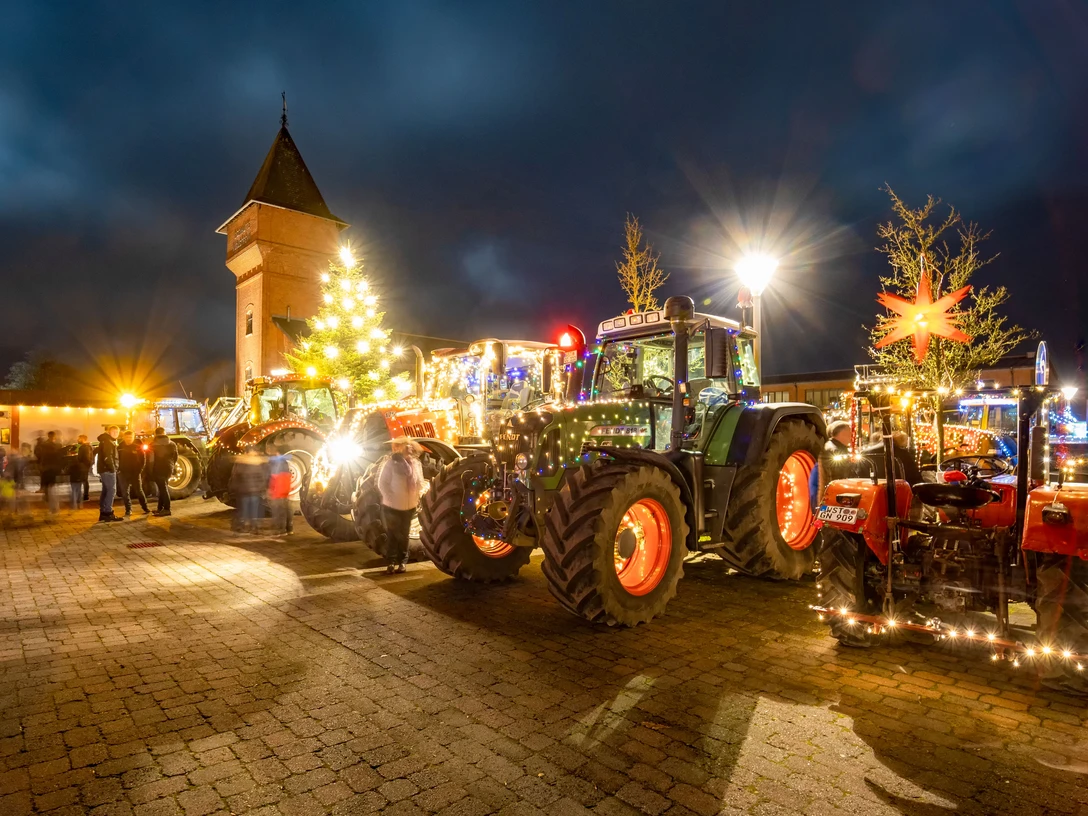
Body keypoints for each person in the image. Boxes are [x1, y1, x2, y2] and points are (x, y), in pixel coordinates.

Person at [377, 438, 425, 574]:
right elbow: (382, 484)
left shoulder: (416, 464)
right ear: (401, 448)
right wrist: (391, 499)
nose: (409, 448)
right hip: (392, 507)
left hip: (409, 507)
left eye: (411, 446)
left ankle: (402, 563)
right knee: (393, 534)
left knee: (404, 535)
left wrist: (419, 494)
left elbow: (420, 482)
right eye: (407, 446)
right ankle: (391, 563)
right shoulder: (391, 463)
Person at [230, 448, 269, 533]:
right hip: (254, 491)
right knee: (254, 510)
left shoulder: (240, 462)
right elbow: (262, 477)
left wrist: (234, 488)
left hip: (243, 491)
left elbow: (235, 476)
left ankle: (243, 526)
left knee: (244, 510)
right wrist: (262, 488)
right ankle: (254, 527)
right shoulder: (258, 462)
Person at [117, 431, 150, 516]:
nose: (128, 439)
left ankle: (145, 507)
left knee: (139, 491)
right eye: (127, 437)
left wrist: (139, 470)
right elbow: (116, 459)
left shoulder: (138, 447)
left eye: (130, 437)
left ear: (133, 437)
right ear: (124, 437)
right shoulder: (119, 447)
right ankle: (128, 509)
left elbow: (143, 459)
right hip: (123, 473)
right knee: (125, 492)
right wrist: (119, 470)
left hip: (135, 473)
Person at [148, 427, 178, 516]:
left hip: (158, 468)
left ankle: (167, 509)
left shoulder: (152, 445)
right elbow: (175, 457)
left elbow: (151, 460)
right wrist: (172, 466)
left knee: (163, 489)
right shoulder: (172, 444)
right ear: (164, 433)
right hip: (168, 468)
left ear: (155, 434)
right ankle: (160, 508)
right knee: (162, 488)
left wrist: (149, 471)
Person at [96, 426, 124, 522]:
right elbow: (108, 457)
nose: (116, 433)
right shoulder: (108, 441)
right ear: (109, 432)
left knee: (106, 490)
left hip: (104, 469)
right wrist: (113, 469)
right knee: (112, 491)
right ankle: (108, 512)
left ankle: (103, 512)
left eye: (117, 431)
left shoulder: (106, 440)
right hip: (108, 470)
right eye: (113, 431)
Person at [38, 430, 63, 515]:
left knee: (49, 491)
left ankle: (51, 508)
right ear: (54, 437)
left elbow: (41, 457)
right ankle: (54, 509)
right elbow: (59, 458)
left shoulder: (43, 446)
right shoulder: (56, 446)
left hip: (46, 469)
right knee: (52, 491)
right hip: (52, 470)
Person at [268, 454, 293, 534]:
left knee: (279, 511)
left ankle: (281, 529)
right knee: (287, 510)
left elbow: (273, 480)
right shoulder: (286, 469)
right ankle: (289, 529)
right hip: (285, 492)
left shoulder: (275, 469)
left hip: (278, 493)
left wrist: (270, 490)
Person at [75, 435, 94, 502]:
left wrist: (81, 463)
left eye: (79, 438)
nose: (78, 439)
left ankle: (85, 496)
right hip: (85, 465)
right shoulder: (88, 447)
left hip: (83, 466)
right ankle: (85, 495)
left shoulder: (84, 447)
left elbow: (86, 457)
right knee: (84, 480)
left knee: (83, 480)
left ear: (83, 439)